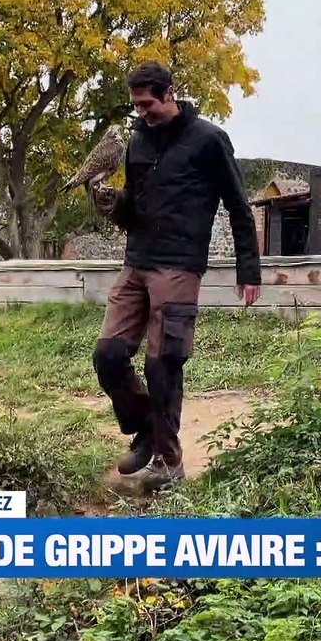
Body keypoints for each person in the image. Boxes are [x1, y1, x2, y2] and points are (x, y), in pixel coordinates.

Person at [89, 61, 262, 492]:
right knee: (108, 355)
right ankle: (147, 427)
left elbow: (239, 206)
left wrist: (249, 268)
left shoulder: (207, 140)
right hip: (137, 261)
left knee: (163, 360)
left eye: (147, 104)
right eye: (136, 106)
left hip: (179, 263)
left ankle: (168, 461)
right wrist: (114, 203)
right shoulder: (138, 141)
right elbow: (133, 211)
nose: (142, 113)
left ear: (169, 94)